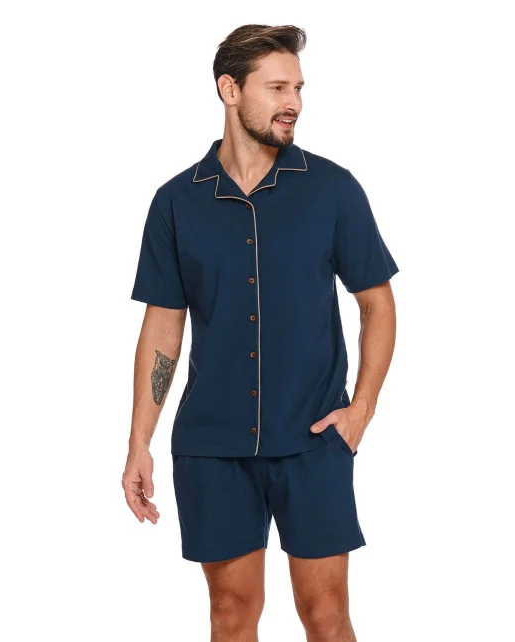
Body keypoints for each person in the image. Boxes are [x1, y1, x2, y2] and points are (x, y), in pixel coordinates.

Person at [123, 24, 398, 641]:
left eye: (297, 88)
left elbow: (377, 304)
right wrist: (140, 441)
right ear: (230, 90)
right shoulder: (176, 202)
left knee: (326, 614)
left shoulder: (332, 189)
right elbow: (163, 325)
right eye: (277, 88)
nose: (292, 102)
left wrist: (362, 409)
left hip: (313, 438)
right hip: (212, 444)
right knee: (231, 613)